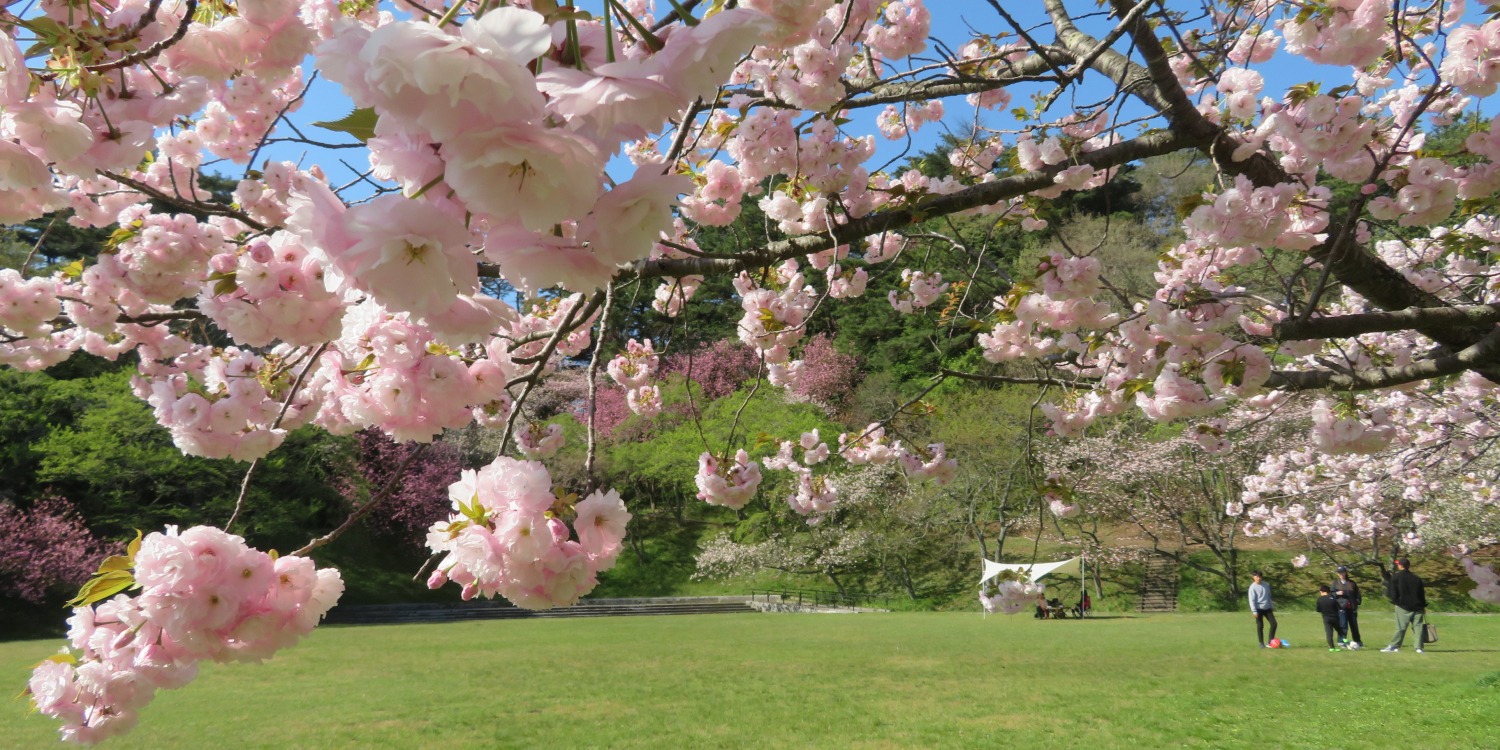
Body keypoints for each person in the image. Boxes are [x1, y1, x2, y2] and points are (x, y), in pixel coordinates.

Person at [1381, 558, 1428, 653]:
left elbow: (1392, 593)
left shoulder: (1396, 577)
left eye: (1398, 564)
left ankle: (1394, 645)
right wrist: (1423, 605)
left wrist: (1395, 601)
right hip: (1417, 607)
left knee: (1400, 627)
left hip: (1403, 606)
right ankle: (1419, 647)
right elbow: (1421, 594)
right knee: (1418, 627)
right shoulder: (1417, 578)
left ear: (1401, 566)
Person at [1331, 565, 1363, 648]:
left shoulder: (1351, 583)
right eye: (1339, 573)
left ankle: (1357, 641)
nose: (1341, 574)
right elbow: (1331, 594)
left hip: (1352, 607)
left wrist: (1356, 602)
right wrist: (1337, 593)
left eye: (1342, 572)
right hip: (1341, 607)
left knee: (1354, 626)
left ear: (1345, 573)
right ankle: (1341, 641)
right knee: (1343, 625)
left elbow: (1357, 595)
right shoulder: (1335, 583)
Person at [1248, 571, 1277, 648]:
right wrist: (1254, 611)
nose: (1259, 578)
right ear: (1253, 577)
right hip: (1258, 609)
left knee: (1274, 624)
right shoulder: (1252, 587)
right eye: (1257, 577)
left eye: (1260, 577)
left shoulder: (1266, 585)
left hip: (1267, 608)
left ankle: (1270, 642)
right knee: (1260, 626)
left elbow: (1268, 596)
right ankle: (1261, 643)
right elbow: (1251, 600)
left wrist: (1271, 605)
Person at [1315, 585, 1347, 651]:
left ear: (1321, 591)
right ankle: (1345, 641)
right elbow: (1339, 608)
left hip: (1326, 618)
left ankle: (1332, 648)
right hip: (1335, 618)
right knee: (1339, 630)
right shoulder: (1332, 599)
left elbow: (1318, 610)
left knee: (1329, 633)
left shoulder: (1319, 599)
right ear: (1328, 592)